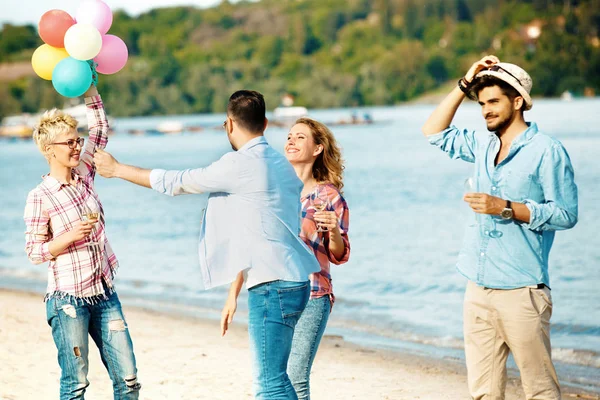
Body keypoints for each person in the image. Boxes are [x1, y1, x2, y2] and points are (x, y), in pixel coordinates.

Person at [93, 90, 320, 400]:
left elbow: (177, 182)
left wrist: (117, 170)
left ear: (228, 124)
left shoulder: (239, 164)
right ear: (265, 123)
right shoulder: (282, 165)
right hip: (296, 281)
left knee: (270, 384)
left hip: (272, 286)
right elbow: (260, 231)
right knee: (278, 378)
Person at [421, 55, 578, 400]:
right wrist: (465, 82)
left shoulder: (547, 151)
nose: (486, 111)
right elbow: (432, 131)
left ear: (518, 101)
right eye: (481, 104)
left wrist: (504, 208)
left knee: (540, 391)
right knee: (483, 394)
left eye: (494, 102)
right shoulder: (482, 144)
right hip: (477, 288)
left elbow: (566, 214)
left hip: (522, 291)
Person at [24, 84, 141, 399]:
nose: (77, 146)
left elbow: (101, 128)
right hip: (68, 302)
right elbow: (35, 253)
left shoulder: (86, 174)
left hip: (104, 295)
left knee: (128, 380)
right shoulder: (40, 197)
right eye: (69, 142)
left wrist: (90, 90)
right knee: (76, 384)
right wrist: (68, 237)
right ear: (50, 149)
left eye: (78, 140)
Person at [224, 117, 351, 399]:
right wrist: (233, 294)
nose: (291, 141)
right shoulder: (273, 187)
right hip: (273, 291)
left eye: (300, 137)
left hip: (314, 295)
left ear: (318, 148)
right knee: (271, 376)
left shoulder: (329, 196)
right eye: (289, 136)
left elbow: (340, 255)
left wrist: (333, 231)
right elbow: (250, 242)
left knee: (295, 376)